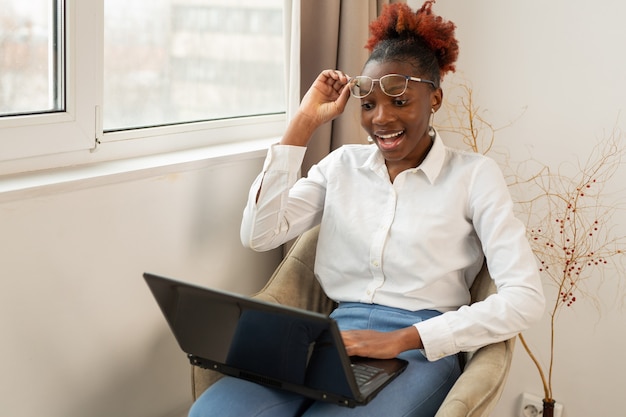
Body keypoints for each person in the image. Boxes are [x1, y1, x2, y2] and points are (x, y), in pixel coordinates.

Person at [189, 2, 545, 416]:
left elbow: (524, 298)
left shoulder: (475, 176)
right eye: (369, 104)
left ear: (435, 99)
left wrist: (404, 339)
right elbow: (259, 234)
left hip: (419, 350)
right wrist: (303, 122)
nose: (381, 119)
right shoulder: (341, 166)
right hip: (329, 339)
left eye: (400, 102)